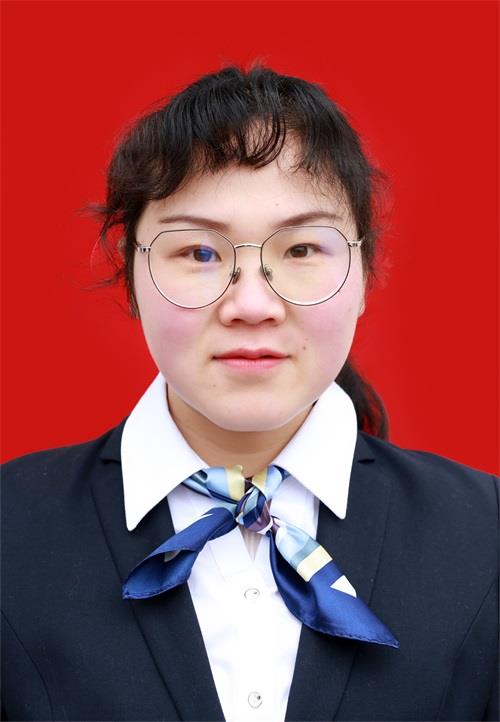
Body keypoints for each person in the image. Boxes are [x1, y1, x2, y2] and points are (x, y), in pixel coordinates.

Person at [1, 65, 498, 722]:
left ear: (363, 271)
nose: (253, 305)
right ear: (131, 272)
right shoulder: (10, 529)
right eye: (200, 253)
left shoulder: (487, 533)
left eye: (302, 249)